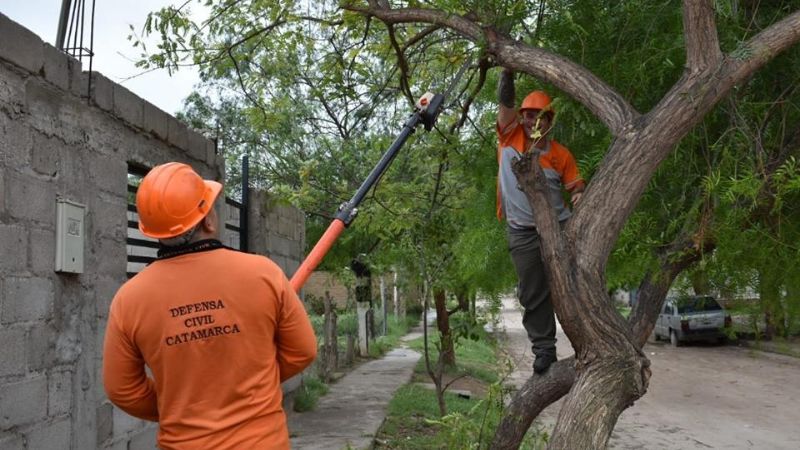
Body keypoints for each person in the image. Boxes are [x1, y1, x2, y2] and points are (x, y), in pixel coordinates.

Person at [103, 162, 317, 449]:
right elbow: (302, 351)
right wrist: (251, 387)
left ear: (153, 231)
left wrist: (181, 405)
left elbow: (123, 390)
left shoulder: (129, 299)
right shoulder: (263, 273)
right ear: (208, 221)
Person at [496, 69, 585, 374]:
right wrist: (507, 72)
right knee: (532, 291)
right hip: (522, 232)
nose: (531, 121)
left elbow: (576, 189)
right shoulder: (510, 137)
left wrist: (580, 204)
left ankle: (587, 341)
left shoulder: (561, 154)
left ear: (549, 121)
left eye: (538, 116)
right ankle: (544, 350)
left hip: (558, 228)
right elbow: (505, 104)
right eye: (527, 115)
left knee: (570, 285)